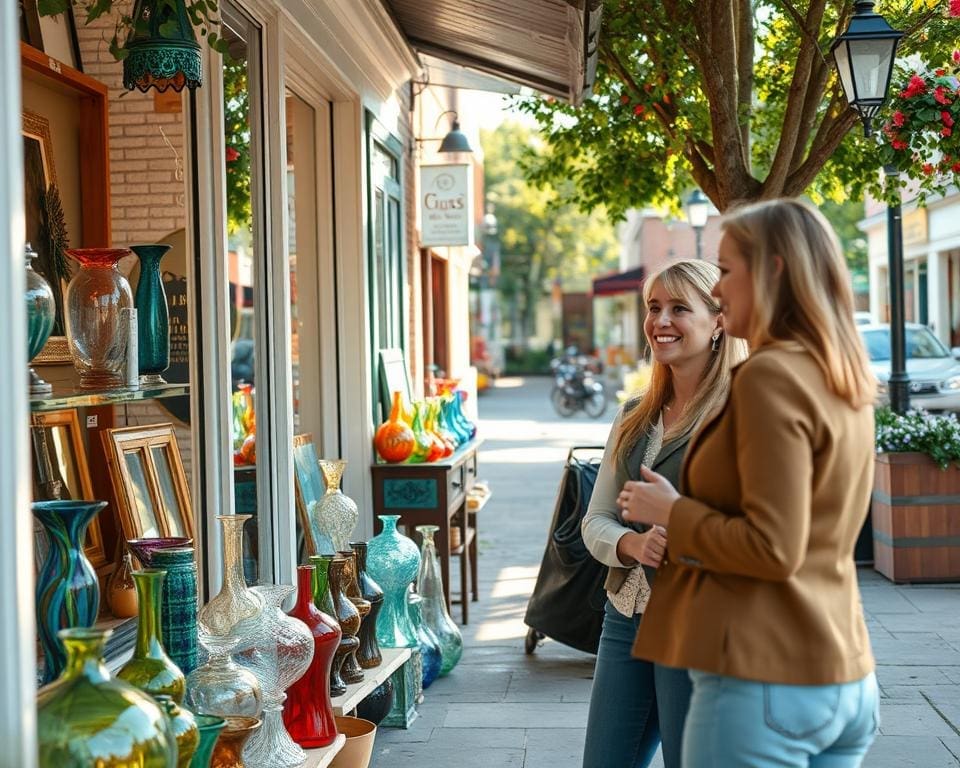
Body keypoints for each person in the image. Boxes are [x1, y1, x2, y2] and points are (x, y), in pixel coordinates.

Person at [623, 199, 879, 767]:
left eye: (730, 269)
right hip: (842, 673)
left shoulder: (770, 376)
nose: (719, 290)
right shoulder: (843, 377)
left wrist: (671, 512)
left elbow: (774, 547)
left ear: (776, 270)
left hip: (763, 675)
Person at [580, 259, 748, 768]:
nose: (661, 321)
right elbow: (596, 519)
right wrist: (631, 545)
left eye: (680, 308)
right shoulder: (634, 414)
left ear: (719, 320)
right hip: (624, 618)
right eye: (654, 308)